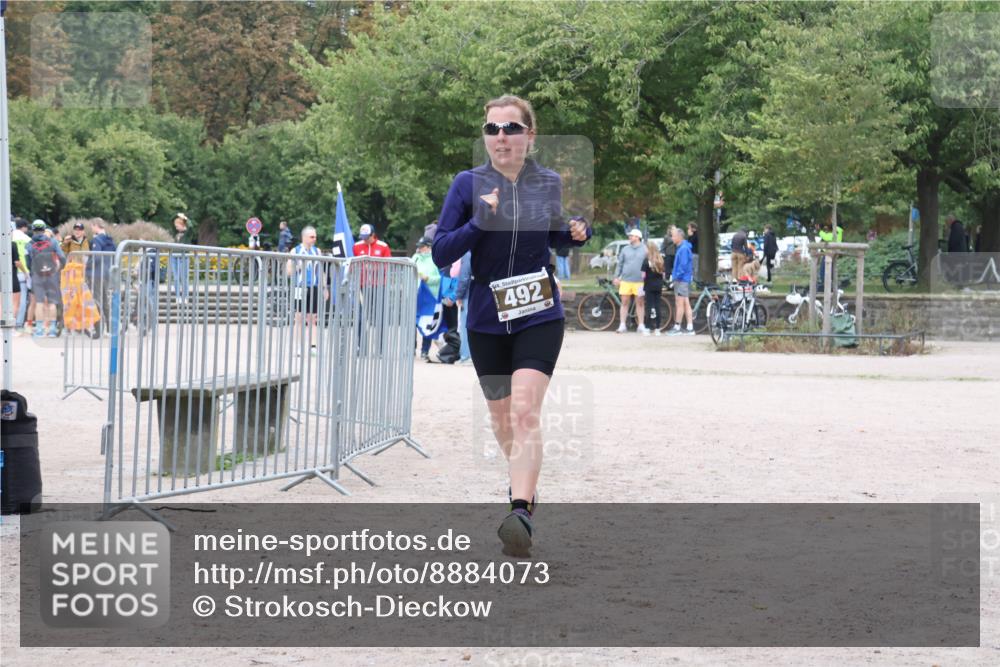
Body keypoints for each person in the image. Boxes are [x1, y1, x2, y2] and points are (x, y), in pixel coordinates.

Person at [431, 94, 590, 556]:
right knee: (503, 423)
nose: (501, 137)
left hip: (538, 309)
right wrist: (480, 221)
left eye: (511, 128)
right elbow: (442, 251)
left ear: (530, 135)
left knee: (524, 413)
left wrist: (578, 231)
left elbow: (554, 233)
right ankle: (526, 487)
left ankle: (520, 509)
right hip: (485, 316)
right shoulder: (467, 184)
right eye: (492, 129)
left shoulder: (548, 182)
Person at [286, 226, 326, 353]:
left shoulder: (317, 251)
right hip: (300, 287)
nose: (314, 239)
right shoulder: (295, 251)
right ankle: (299, 346)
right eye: (312, 237)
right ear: (304, 237)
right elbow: (288, 272)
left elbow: (321, 271)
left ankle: (313, 346)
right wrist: (298, 266)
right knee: (299, 317)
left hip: (313, 287)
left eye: (315, 236)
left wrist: (324, 287)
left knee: (313, 318)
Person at [25, 219, 66, 338]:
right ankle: (52, 330)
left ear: (33, 230)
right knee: (52, 302)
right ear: (44, 229)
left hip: (37, 276)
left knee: (39, 303)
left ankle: (39, 330)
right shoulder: (53, 242)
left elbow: (28, 263)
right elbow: (62, 257)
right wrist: (58, 268)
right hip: (52, 275)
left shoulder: (29, 244)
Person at [412, 237, 441, 361]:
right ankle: (411, 349)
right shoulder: (415, 258)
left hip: (431, 297)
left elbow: (440, 278)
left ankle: (425, 351)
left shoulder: (436, 259)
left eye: (422, 246)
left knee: (427, 323)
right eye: (419, 246)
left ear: (429, 247)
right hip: (415, 295)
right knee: (412, 323)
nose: (419, 249)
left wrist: (428, 278)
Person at [614, 228, 647, 334]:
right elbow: (620, 264)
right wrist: (616, 276)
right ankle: (622, 325)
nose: (630, 237)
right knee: (624, 302)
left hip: (640, 281)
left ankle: (641, 325)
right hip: (626, 280)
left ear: (638, 237)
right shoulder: (625, 249)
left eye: (632, 236)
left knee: (640, 303)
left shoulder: (645, 249)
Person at [87, 219, 115, 332]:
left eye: (92, 226)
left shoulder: (96, 240)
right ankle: (109, 326)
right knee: (105, 301)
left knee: (96, 300)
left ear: (95, 226)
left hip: (97, 273)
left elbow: (96, 257)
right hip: (107, 272)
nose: (91, 229)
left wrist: (86, 267)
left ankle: (98, 327)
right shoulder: (110, 241)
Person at [667, 225, 695, 335]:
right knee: (685, 303)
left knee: (679, 303)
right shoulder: (683, 247)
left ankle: (677, 327)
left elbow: (682, 266)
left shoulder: (683, 249)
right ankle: (689, 327)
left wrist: (675, 277)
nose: (672, 238)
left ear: (679, 236)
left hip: (681, 280)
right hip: (684, 279)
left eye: (673, 236)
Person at [640, 239, 665, 336]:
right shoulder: (660, 260)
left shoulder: (646, 261)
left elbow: (643, 276)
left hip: (649, 286)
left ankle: (647, 328)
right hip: (658, 286)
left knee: (649, 307)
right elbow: (663, 274)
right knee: (658, 306)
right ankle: (658, 328)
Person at [169, 213, 193, 304]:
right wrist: (176, 215)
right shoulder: (176, 233)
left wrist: (185, 218)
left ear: (182, 225)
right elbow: (171, 221)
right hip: (174, 257)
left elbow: (190, 226)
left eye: (177, 225)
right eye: (175, 226)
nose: (176, 227)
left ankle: (185, 296)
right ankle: (177, 296)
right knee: (176, 277)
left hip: (184, 257)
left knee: (184, 277)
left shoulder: (188, 233)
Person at [454, 250, 473, 364]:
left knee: (465, 326)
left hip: (467, 294)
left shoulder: (466, 254)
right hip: (478, 292)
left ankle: (466, 356)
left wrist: (458, 295)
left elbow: (464, 276)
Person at [13, 218, 30, 331]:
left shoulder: (9, 236)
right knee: (21, 299)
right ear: (24, 227)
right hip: (23, 272)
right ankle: (18, 323)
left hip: (10, 272)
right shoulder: (27, 239)